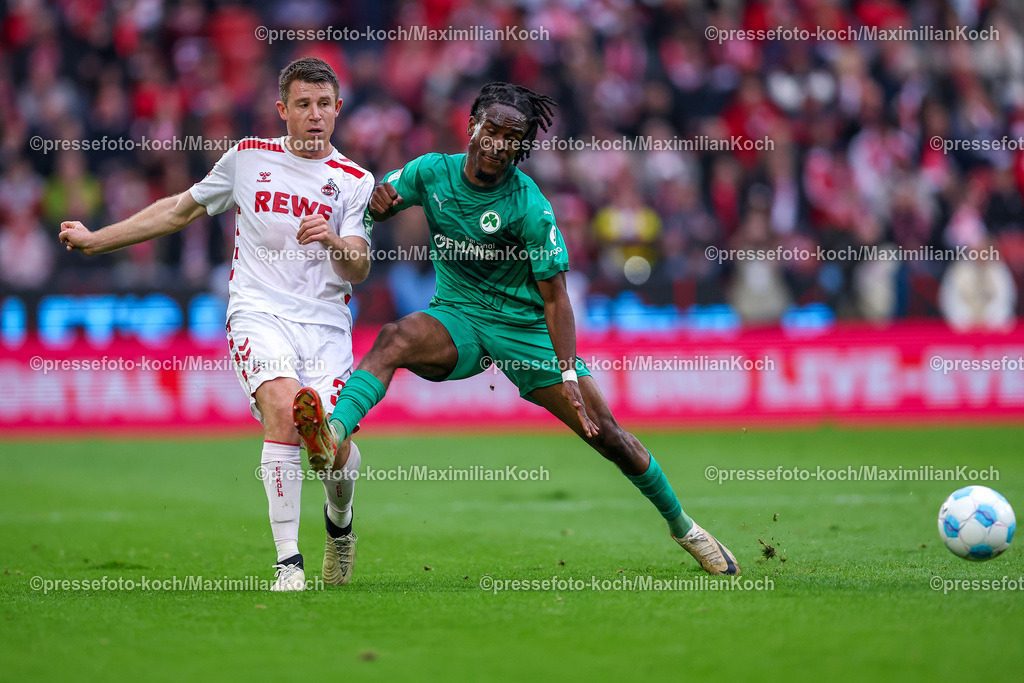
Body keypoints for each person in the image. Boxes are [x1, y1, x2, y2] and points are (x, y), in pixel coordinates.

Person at [292, 82, 740, 575]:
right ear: (472, 126)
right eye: (493, 130)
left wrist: (567, 374)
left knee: (608, 436)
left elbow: (556, 298)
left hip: (526, 331)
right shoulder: (430, 173)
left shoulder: (530, 205)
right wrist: (365, 226)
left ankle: (686, 530)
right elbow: (371, 202)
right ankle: (333, 432)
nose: (500, 143)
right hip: (457, 318)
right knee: (394, 337)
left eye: (513, 137)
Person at [58, 57, 373, 591]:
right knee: (284, 406)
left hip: (325, 326)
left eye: (324, 105)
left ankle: (339, 528)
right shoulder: (247, 159)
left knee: (333, 452)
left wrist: (334, 240)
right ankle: (287, 565)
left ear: (338, 110)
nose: (315, 115)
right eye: (303, 105)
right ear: (282, 110)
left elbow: (359, 267)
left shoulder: (354, 182)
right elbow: (178, 211)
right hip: (257, 311)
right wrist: (96, 239)